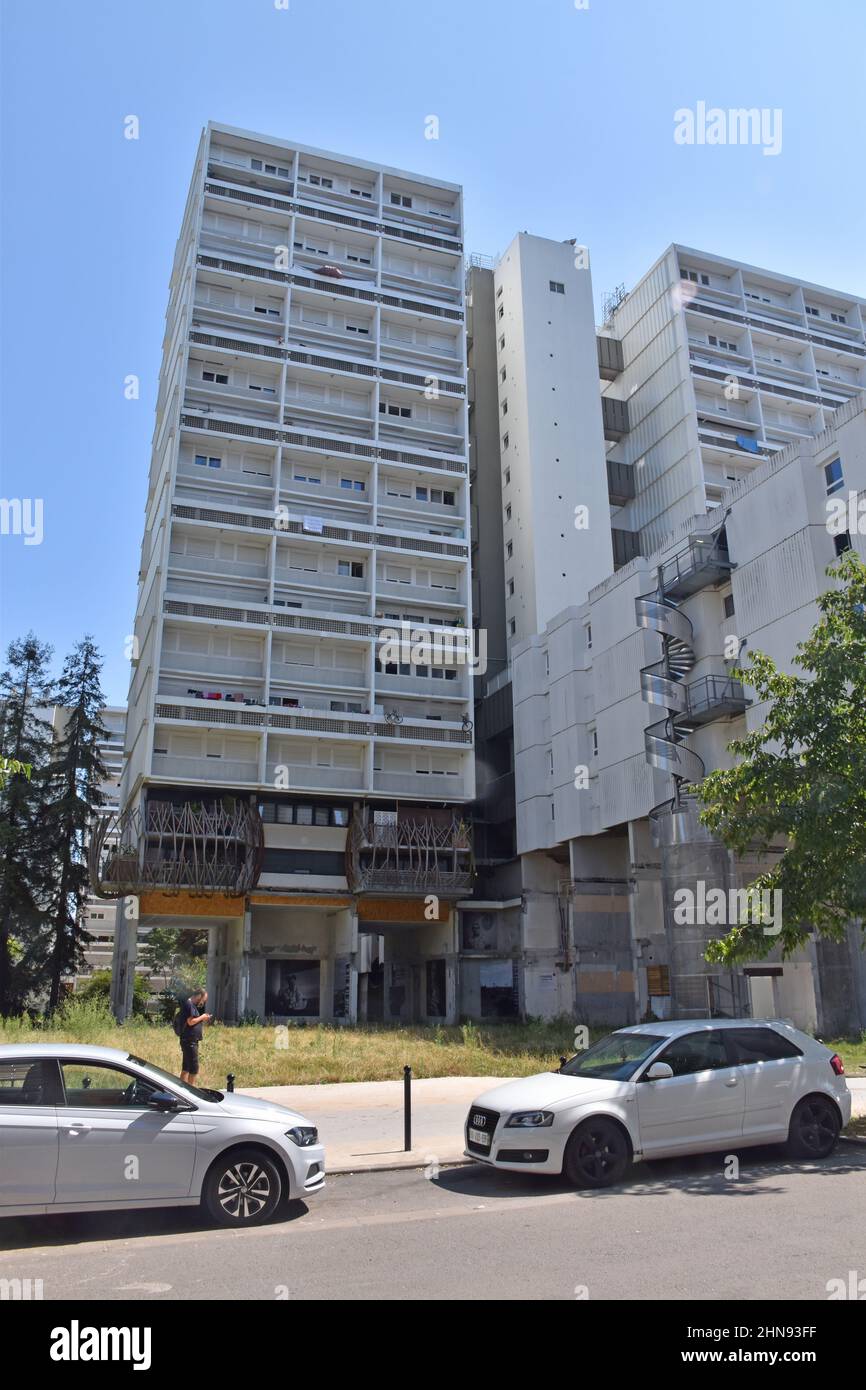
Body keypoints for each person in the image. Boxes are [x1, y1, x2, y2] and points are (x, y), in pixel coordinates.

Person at [178, 988, 212, 1083]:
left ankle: (181, 1089)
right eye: (203, 999)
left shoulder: (190, 1005)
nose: (203, 1002)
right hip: (189, 1041)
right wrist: (203, 1017)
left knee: (186, 1067)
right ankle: (190, 1092)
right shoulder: (189, 1005)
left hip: (188, 1040)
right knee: (193, 1068)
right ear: (199, 996)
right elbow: (190, 1022)